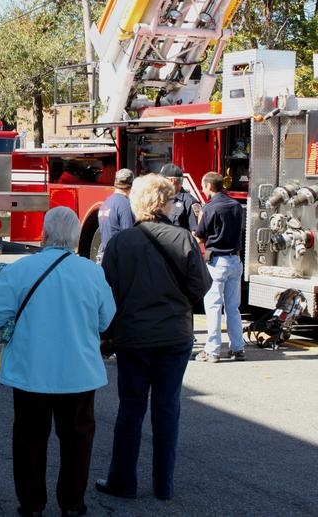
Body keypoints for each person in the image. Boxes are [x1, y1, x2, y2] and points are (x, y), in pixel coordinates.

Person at [0, 206, 116, 517]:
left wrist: (11, 326)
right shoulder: (91, 272)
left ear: (44, 234)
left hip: (30, 369)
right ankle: (72, 504)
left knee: (29, 439)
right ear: (76, 236)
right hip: (79, 372)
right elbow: (106, 318)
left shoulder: (21, 269)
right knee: (77, 439)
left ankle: (31, 505)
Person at [97, 174, 211, 501]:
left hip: (133, 336)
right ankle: (164, 484)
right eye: (173, 200)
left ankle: (122, 481)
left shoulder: (120, 243)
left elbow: (108, 293)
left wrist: (107, 335)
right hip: (174, 334)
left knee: (130, 409)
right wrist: (177, 303)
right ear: (163, 203)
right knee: (167, 408)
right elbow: (201, 286)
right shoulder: (183, 239)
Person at [194, 171, 245, 362]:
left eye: (203, 185)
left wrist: (199, 219)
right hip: (234, 259)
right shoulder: (236, 206)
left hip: (217, 260)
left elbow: (200, 235)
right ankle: (238, 348)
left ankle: (212, 350)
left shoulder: (209, 207)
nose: (202, 188)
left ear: (209, 186)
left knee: (214, 306)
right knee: (233, 307)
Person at [96, 168, 135, 263]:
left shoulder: (105, 203)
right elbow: (128, 237)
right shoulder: (125, 205)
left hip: (106, 257)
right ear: (131, 185)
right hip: (118, 259)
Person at [158, 163, 198, 230]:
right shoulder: (161, 198)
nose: (160, 182)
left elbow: (196, 233)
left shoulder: (189, 202)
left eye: (162, 180)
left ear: (172, 181)